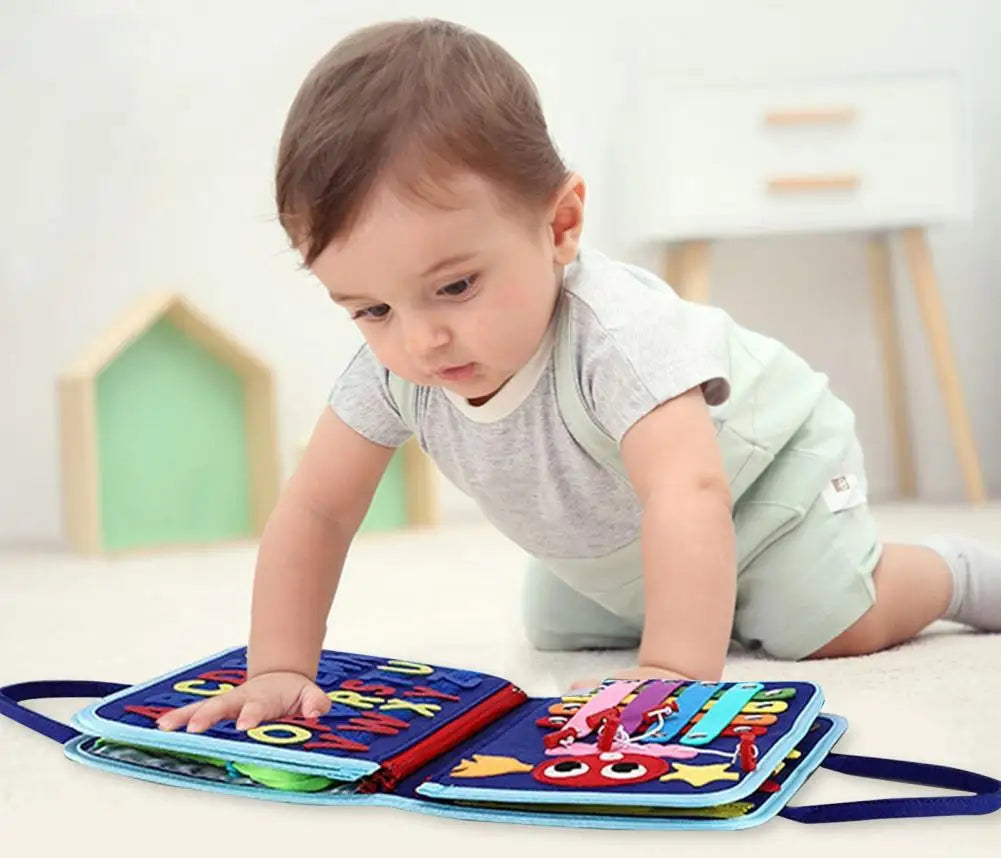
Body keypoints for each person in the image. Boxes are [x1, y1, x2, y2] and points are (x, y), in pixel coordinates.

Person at [159, 18, 1000, 735]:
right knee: (560, 629)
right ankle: (701, 602)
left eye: (453, 286)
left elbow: (690, 491)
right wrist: (275, 665)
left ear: (559, 225)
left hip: (762, 486)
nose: (420, 339)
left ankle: (954, 572)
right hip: (618, 539)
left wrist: (672, 671)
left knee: (822, 622)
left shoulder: (617, 337)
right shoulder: (392, 372)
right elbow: (316, 507)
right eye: (369, 310)